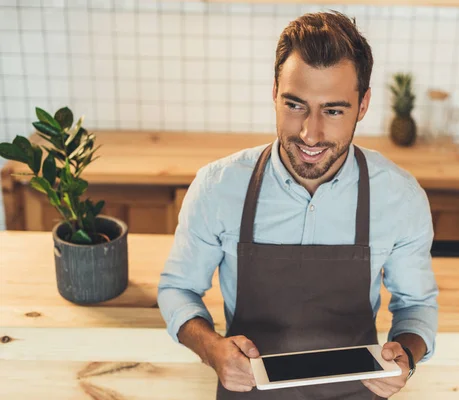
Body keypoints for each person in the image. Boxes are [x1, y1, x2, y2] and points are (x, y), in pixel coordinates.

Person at [157, 10, 438, 400]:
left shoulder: (400, 197)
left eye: (334, 110)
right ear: (274, 92)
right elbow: (178, 289)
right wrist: (212, 349)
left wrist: (406, 354)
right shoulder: (218, 187)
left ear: (363, 105)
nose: (311, 132)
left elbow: (417, 305)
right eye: (295, 105)